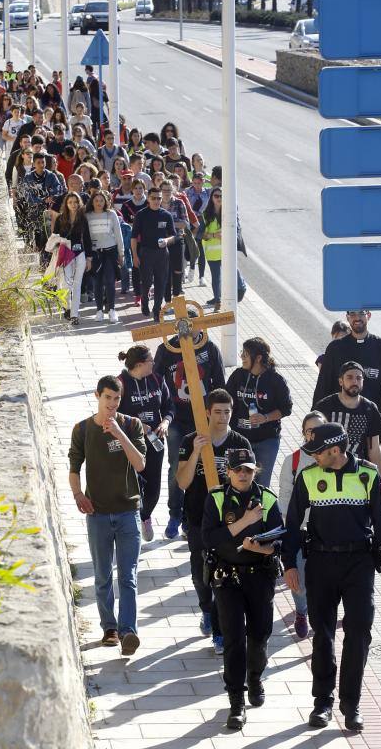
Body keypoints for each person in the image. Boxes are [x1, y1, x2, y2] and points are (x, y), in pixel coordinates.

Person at [283, 422, 381, 731]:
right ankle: (322, 703)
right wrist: (289, 564)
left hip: (359, 564)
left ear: (335, 451)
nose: (313, 458)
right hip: (321, 562)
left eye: (318, 452)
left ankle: (351, 705)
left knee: (359, 631)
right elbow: (294, 521)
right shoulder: (308, 476)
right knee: (322, 634)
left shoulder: (367, 475)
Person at [202, 447, 283, 730]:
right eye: (237, 469)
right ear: (228, 471)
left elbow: (280, 539)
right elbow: (210, 539)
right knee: (234, 639)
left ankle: (256, 677)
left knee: (260, 635)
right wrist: (245, 523)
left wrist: (260, 548)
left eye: (248, 469)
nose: (242, 474)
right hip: (228, 578)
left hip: (260, 575)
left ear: (254, 471)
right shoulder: (216, 498)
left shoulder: (268, 499)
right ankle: (236, 701)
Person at [68, 375, 146, 654]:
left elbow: (140, 464)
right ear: (97, 396)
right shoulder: (82, 429)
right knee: (102, 575)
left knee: (128, 576)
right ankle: (109, 628)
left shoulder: (132, 425)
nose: (112, 404)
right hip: (99, 514)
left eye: (117, 399)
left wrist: (119, 434)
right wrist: (78, 495)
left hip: (128, 512)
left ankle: (128, 632)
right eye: (107, 398)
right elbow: (74, 467)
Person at [177, 389, 251, 654]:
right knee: (200, 575)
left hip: (229, 522)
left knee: (224, 576)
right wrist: (196, 452)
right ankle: (206, 610)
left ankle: (220, 633)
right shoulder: (190, 440)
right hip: (198, 519)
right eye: (218, 412)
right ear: (208, 412)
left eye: (227, 412)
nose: (222, 417)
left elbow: (248, 484)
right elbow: (183, 481)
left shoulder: (240, 443)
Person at [154, 314, 225, 539]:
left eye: (192, 326)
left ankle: (191, 516)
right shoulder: (167, 348)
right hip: (176, 418)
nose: (187, 330)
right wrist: (162, 413)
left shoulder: (210, 349)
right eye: (183, 326)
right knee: (177, 465)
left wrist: (216, 417)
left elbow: (219, 384)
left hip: (201, 419)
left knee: (202, 465)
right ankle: (175, 513)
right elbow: (157, 381)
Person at [313, 310, 381, 447]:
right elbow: (322, 387)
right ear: (347, 317)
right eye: (353, 314)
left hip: (371, 422)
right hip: (338, 422)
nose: (357, 318)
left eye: (361, 313)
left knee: (371, 467)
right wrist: (314, 420)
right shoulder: (335, 348)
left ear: (369, 315)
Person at [278, 410, 327, 640]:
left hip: (327, 532)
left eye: (319, 429)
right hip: (299, 530)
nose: (314, 435)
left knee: (325, 579)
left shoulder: (335, 457)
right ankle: (301, 611)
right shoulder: (293, 461)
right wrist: (290, 527)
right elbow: (285, 498)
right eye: (310, 431)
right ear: (304, 433)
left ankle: (321, 615)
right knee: (299, 578)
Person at [117, 346, 173, 542]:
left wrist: (165, 422)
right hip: (129, 444)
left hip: (155, 443)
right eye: (151, 361)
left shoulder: (157, 379)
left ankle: (145, 515)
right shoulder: (121, 383)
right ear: (139, 365)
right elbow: (113, 414)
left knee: (153, 488)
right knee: (131, 486)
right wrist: (137, 424)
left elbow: (169, 406)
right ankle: (128, 527)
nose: (154, 364)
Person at [226, 337, 292, 488]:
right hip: (239, 439)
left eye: (246, 353)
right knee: (237, 482)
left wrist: (265, 418)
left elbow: (286, 408)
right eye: (242, 352)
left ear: (258, 358)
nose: (241, 356)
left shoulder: (275, 380)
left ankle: (260, 511)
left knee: (261, 485)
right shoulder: (238, 375)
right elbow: (226, 400)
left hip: (266, 441)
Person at [315, 361, 381, 476]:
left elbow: (375, 450)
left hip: (356, 471)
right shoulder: (325, 406)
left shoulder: (370, 409)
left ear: (363, 381)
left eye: (359, 378)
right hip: (327, 471)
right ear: (340, 381)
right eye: (349, 377)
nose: (354, 381)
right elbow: (314, 442)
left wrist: (380, 483)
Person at [131, 187, 176, 322]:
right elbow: (133, 237)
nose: (156, 201)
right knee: (146, 283)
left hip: (162, 254)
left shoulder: (166, 215)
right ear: (148, 198)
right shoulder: (141, 214)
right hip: (146, 253)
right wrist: (135, 255)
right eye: (154, 198)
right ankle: (144, 301)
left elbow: (174, 236)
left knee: (161, 283)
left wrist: (166, 241)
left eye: (159, 198)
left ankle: (157, 310)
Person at [52, 192, 92, 325]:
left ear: (79, 203)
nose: (73, 205)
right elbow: (54, 237)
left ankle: (75, 315)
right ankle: (67, 307)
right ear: (66, 204)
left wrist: (89, 258)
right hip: (65, 254)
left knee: (77, 284)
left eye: (75, 202)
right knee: (66, 284)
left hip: (79, 253)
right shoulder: (60, 219)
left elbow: (87, 239)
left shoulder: (83, 219)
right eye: (70, 202)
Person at [85, 190, 124, 324]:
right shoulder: (88, 216)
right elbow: (86, 237)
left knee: (110, 281)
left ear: (105, 201)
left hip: (110, 251)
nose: (99, 203)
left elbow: (118, 234)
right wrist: (88, 256)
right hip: (95, 253)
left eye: (101, 200)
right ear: (92, 202)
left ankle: (112, 310)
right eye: (96, 200)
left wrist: (121, 252)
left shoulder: (111, 214)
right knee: (98, 283)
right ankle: (99, 311)